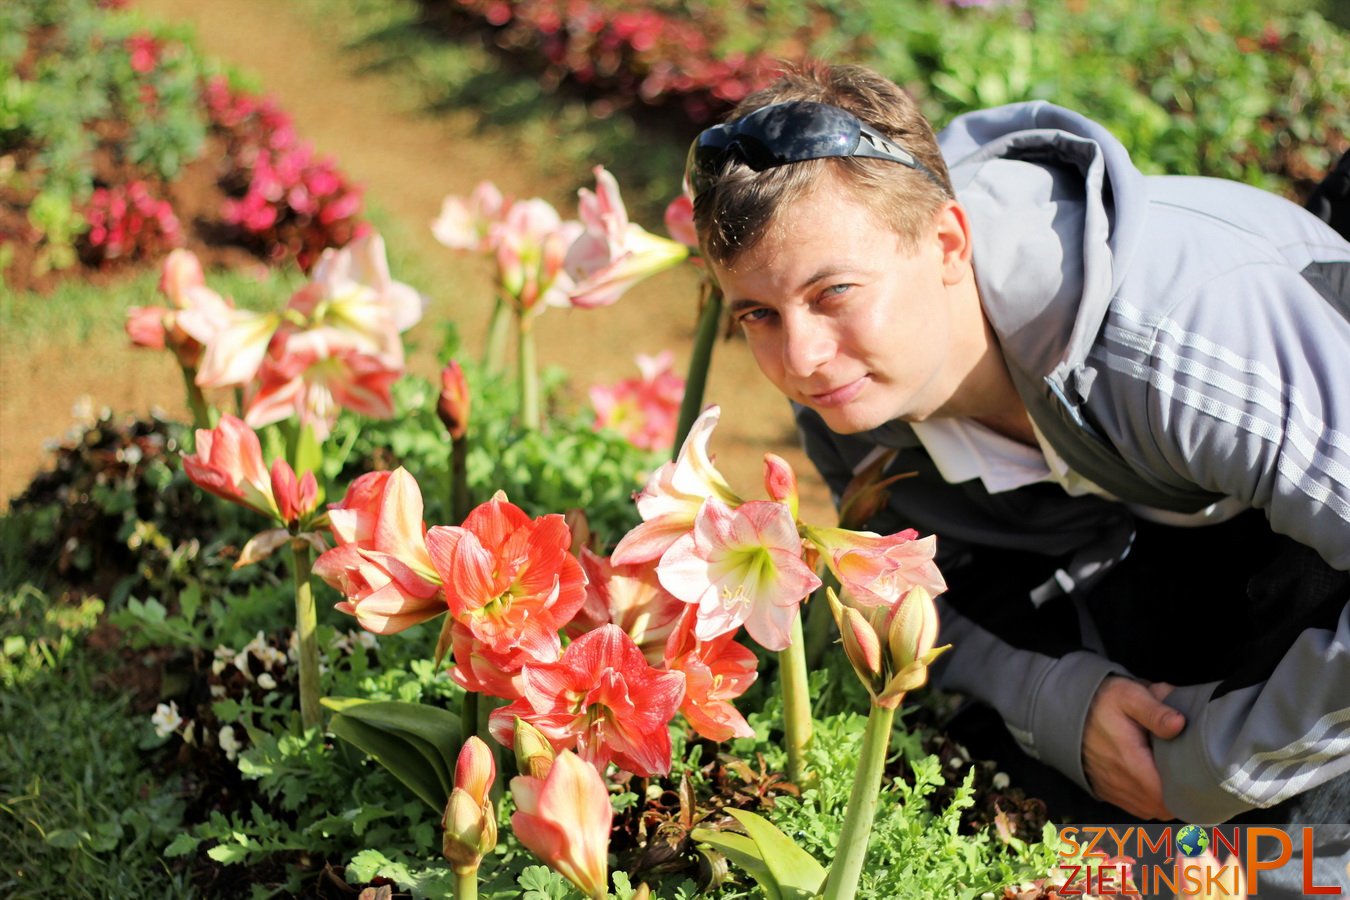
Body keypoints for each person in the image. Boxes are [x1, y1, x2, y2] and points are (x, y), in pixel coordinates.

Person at [684, 61, 1350, 825]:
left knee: (1284, 852)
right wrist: (1057, 702)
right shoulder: (853, 412)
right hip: (1177, 523)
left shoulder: (1167, 344)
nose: (798, 360)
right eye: (757, 315)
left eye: (832, 293)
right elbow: (930, 598)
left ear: (946, 243)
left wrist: (1223, 767)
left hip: (1309, 518)